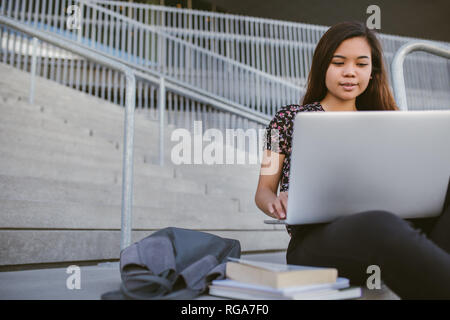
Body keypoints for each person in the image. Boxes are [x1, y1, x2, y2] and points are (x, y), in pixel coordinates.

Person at [254, 21, 450, 299]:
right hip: (315, 245)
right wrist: (275, 202)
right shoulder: (287, 119)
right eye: (339, 62)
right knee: (379, 224)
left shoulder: (391, 123)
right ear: (323, 65)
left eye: (361, 64)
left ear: (373, 72)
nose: (349, 72)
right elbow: (263, 191)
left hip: (389, 232)